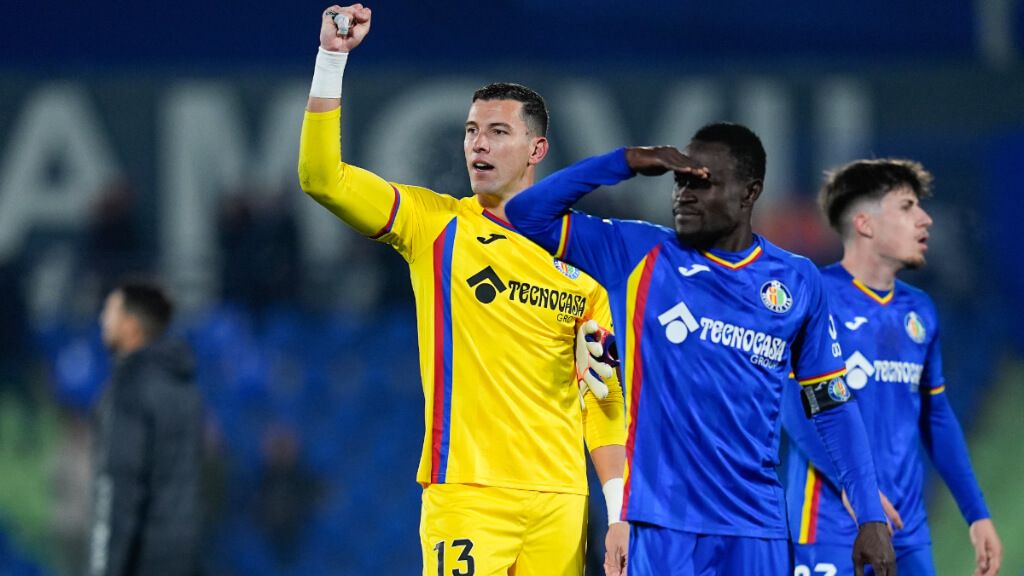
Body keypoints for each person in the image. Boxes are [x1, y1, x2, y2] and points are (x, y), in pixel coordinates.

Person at [296, 5, 627, 575]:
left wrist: (618, 511)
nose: (478, 144)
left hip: (560, 500)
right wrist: (331, 60)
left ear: (536, 150)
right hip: (468, 496)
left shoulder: (584, 265)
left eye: (499, 132)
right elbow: (322, 178)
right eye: (472, 131)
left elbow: (600, 398)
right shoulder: (436, 226)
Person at [505, 124, 897, 575]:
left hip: (757, 528)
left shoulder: (796, 281)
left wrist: (869, 515)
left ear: (749, 193)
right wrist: (626, 161)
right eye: (680, 181)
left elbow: (831, 405)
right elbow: (527, 214)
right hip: (662, 526)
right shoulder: (639, 255)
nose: (684, 194)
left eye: (702, 182)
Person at [781, 158, 1003, 575]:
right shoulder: (814, 296)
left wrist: (976, 514)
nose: (925, 219)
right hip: (829, 524)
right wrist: (855, 489)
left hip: (906, 528)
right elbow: (792, 404)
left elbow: (937, 418)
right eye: (907, 207)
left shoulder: (920, 310)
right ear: (865, 223)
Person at [90, 279, 203, 576]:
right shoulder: (184, 387)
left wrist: (107, 567)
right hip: (185, 551)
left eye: (110, 311)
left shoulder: (129, 388)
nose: (102, 319)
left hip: (139, 557)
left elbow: (119, 484)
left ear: (131, 326)